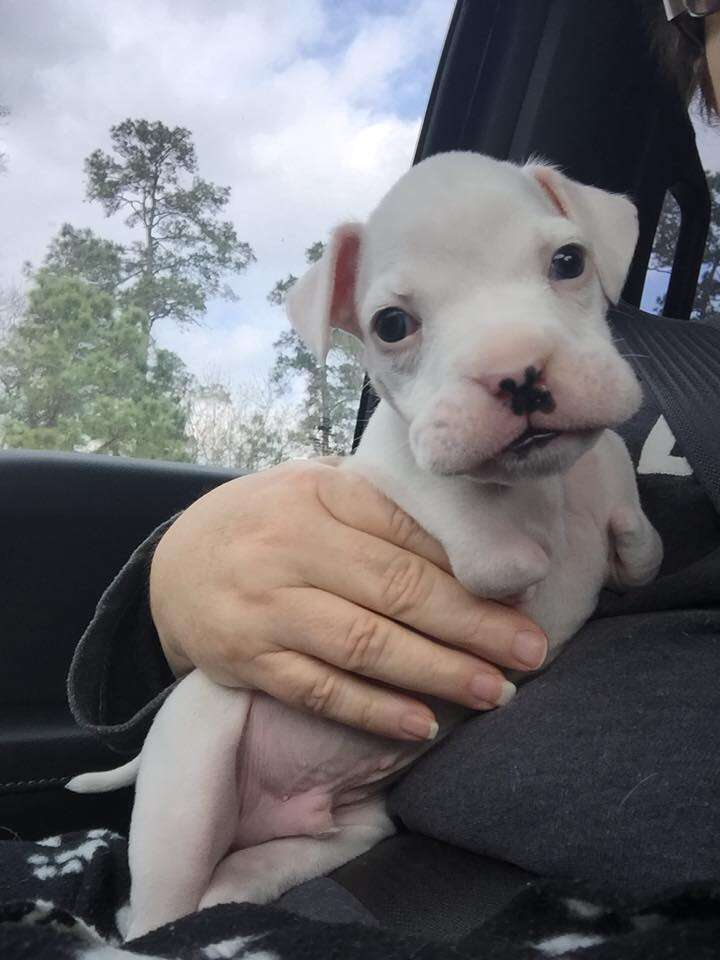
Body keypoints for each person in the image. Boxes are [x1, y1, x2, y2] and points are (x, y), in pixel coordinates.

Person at [50, 0, 720, 948]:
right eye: (398, 325)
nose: (514, 362)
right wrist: (187, 569)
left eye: (562, 267)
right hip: (360, 857)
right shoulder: (655, 373)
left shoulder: (614, 430)